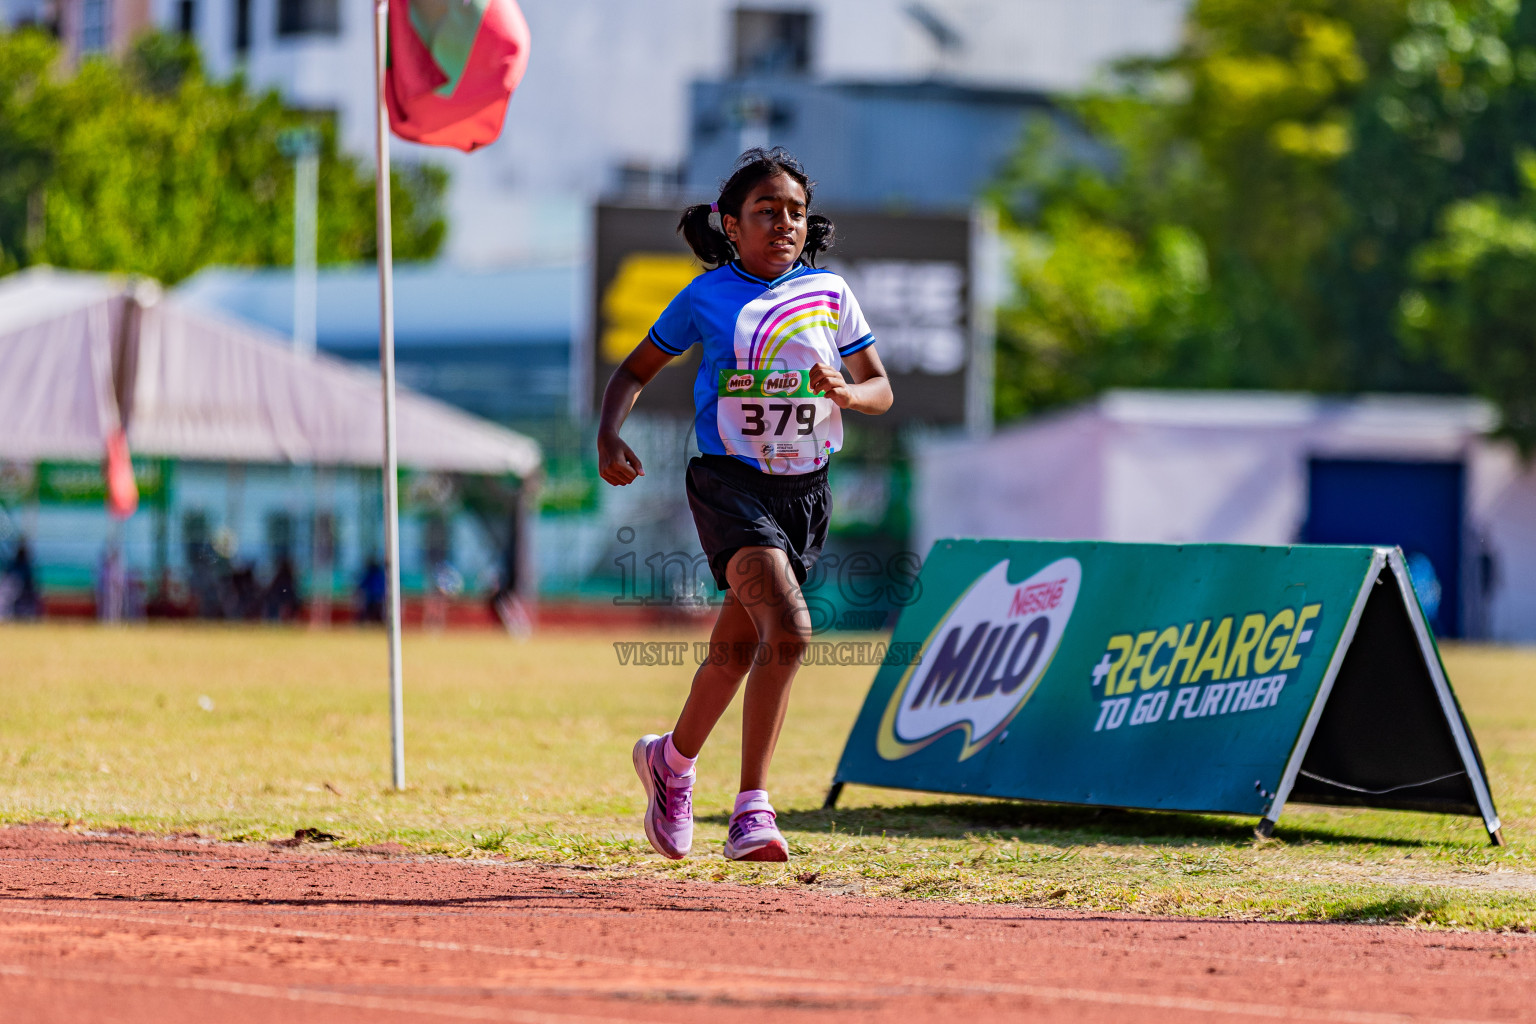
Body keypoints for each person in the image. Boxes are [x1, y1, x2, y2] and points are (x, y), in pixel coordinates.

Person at [597, 148, 892, 862]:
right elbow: (635, 369)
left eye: (794, 212)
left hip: (806, 494)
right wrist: (609, 431)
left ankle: (670, 762)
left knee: (734, 651)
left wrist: (848, 394)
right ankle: (752, 809)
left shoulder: (830, 294)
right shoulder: (704, 296)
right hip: (729, 483)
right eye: (766, 212)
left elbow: (880, 387)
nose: (784, 224)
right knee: (788, 629)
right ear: (731, 225)